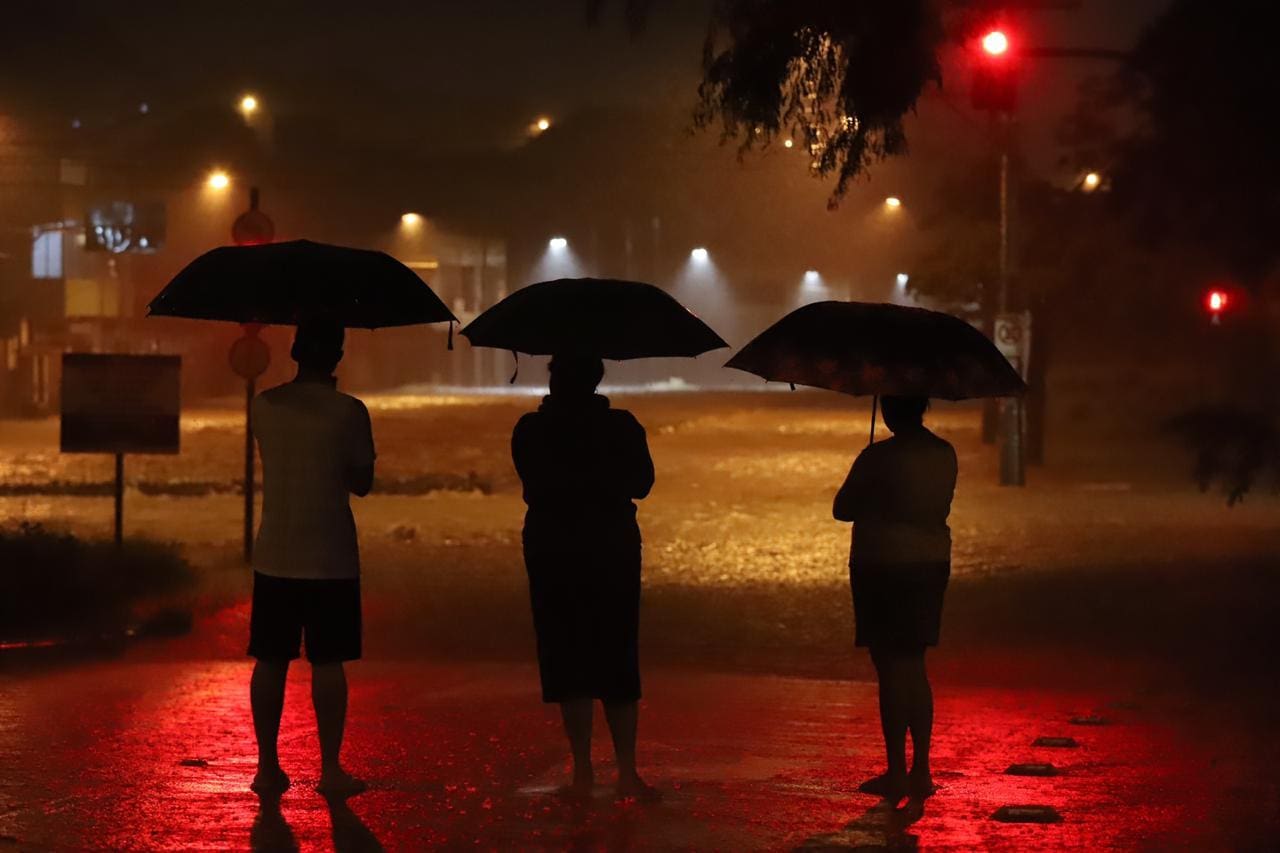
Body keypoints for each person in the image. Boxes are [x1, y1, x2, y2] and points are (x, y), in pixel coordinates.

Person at [510, 354, 660, 801]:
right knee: (616, 651)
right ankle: (628, 772)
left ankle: (582, 772)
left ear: (554, 381)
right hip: (612, 545)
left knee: (566, 654)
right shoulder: (623, 427)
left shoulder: (530, 430)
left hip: (552, 547)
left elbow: (531, 485)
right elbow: (643, 484)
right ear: (597, 380)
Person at [247, 320, 375, 796]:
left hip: (274, 551)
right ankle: (330, 770)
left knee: (270, 660)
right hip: (332, 554)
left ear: (295, 352)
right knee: (328, 663)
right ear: (336, 358)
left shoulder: (264, 405)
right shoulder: (349, 411)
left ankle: (266, 767)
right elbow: (362, 482)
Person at [833, 395, 957, 803]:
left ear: (887, 409)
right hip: (929, 563)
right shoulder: (944, 453)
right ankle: (921, 768)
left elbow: (842, 508)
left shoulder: (877, 458)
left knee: (889, 667)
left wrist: (870, 477)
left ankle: (897, 771)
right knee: (914, 663)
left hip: (881, 564)